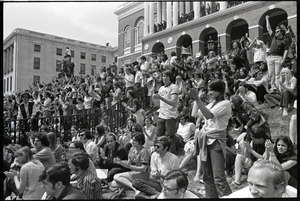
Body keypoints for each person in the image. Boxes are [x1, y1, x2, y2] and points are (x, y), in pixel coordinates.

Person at [188, 79, 232, 198]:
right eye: (209, 89)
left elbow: (208, 115)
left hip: (216, 140)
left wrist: (197, 99)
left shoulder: (225, 103)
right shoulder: (211, 104)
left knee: (219, 178)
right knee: (207, 176)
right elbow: (195, 114)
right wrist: (197, 99)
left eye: (213, 90)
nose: (210, 92)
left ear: (220, 91)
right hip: (205, 140)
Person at [222, 160, 297, 198]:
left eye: (260, 186)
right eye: (250, 184)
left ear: (279, 188)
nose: (252, 191)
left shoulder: (293, 194)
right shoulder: (243, 195)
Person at [153, 70, 179, 154]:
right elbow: (159, 103)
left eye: (166, 76)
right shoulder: (161, 88)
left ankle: (172, 155)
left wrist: (160, 97)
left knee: (169, 136)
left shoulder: (173, 87)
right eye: (163, 76)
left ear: (170, 77)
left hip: (170, 115)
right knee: (158, 135)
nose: (164, 78)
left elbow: (174, 102)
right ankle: (158, 152)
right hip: (161, 114)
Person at [265, 15, 289, 92]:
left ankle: (279, 90)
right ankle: (273, 88)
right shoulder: (274, 37)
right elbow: (268, 28)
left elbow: (286, 50)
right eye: (276, 31)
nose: (276, 32)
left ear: (282, 32)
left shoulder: (284, 40)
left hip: (279, 58)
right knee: (271, 74)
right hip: (270, 58)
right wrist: (267, 19)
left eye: (278, 31)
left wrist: (283, 59)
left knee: (277, 75)